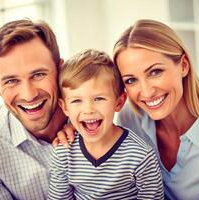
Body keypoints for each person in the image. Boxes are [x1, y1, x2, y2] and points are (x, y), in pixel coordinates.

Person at [56, 19, 199, 200]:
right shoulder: (131, 117)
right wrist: (71, 126)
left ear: (184, 66)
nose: (147, 92)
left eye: (155, 72)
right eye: (131, 80)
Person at [0, 19, 67, 199]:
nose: (29, 94)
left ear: (60, 70)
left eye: (38, 74)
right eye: (11, 81)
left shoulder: (98, 115)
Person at [48, 49, 164, 199]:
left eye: (99, 99)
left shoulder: (141, 156)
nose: (88, 110)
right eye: (76, 101)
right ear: (65, 107)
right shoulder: (63, 153)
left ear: (119, 102)